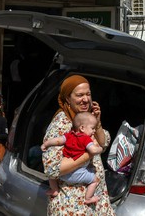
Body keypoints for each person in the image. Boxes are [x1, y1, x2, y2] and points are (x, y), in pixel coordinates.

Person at [42, 75, 113, 215]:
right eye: (79, 95)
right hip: (72, 205)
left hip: (94, 203)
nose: (86, 99)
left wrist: (97, 124)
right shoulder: (61, 124)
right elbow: (52, 168)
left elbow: (103, 144)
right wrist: (88, 154)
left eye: (88, 94)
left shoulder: (85, 118)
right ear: (67, 98)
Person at [42, 112, 104, 204]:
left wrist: (45, 144)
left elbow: (58, 141)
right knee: (94, 180)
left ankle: (54, 189)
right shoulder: (86, 139)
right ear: (82, 128)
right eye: (92, 128)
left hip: (62, 176)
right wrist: (100, 148)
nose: (94, 131)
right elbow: (93, 151)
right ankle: (88, 198)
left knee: (51, 176)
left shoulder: (69, 135)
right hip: (78, 173)